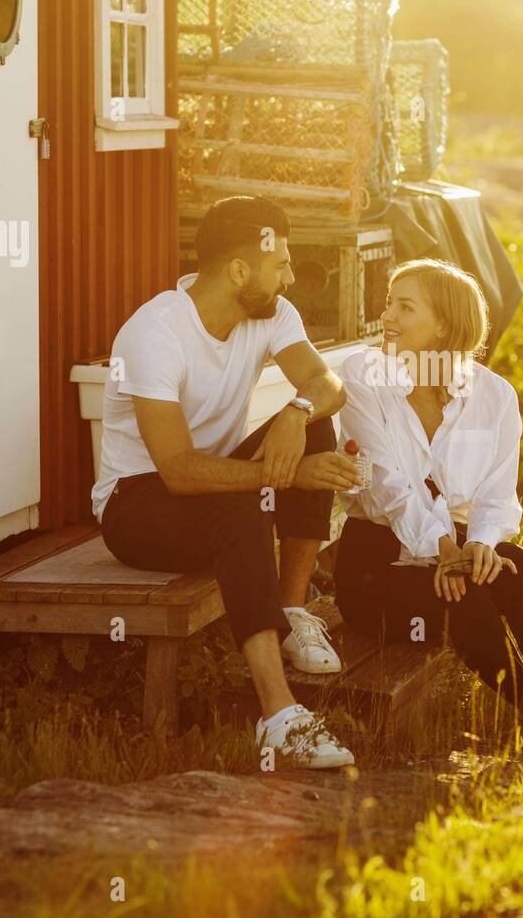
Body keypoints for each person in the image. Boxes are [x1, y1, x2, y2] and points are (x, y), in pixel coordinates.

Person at [96, 195, 361, 769]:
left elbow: (326, 383)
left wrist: (295, 412)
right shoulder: (156, 332)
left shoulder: (271, 313)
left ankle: (289, 613)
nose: (290, 277)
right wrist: (277, 474)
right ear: (241, 270)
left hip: (214, 484)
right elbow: (178, 470)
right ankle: (279, 716)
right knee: (242, 506)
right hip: (137, 504)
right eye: (281, 264)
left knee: (314, 426)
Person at [333, 258, 523, 773]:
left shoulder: (494, 396)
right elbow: (383, 483)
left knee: (520, 569)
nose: (388, 317)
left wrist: (482, 544)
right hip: (375, 565)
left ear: (444, 323)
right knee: (465, 598)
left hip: (458, 548)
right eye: (388, 304)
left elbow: (496, 495)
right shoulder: (363, 374)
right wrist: (440, 548)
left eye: (405, 306)